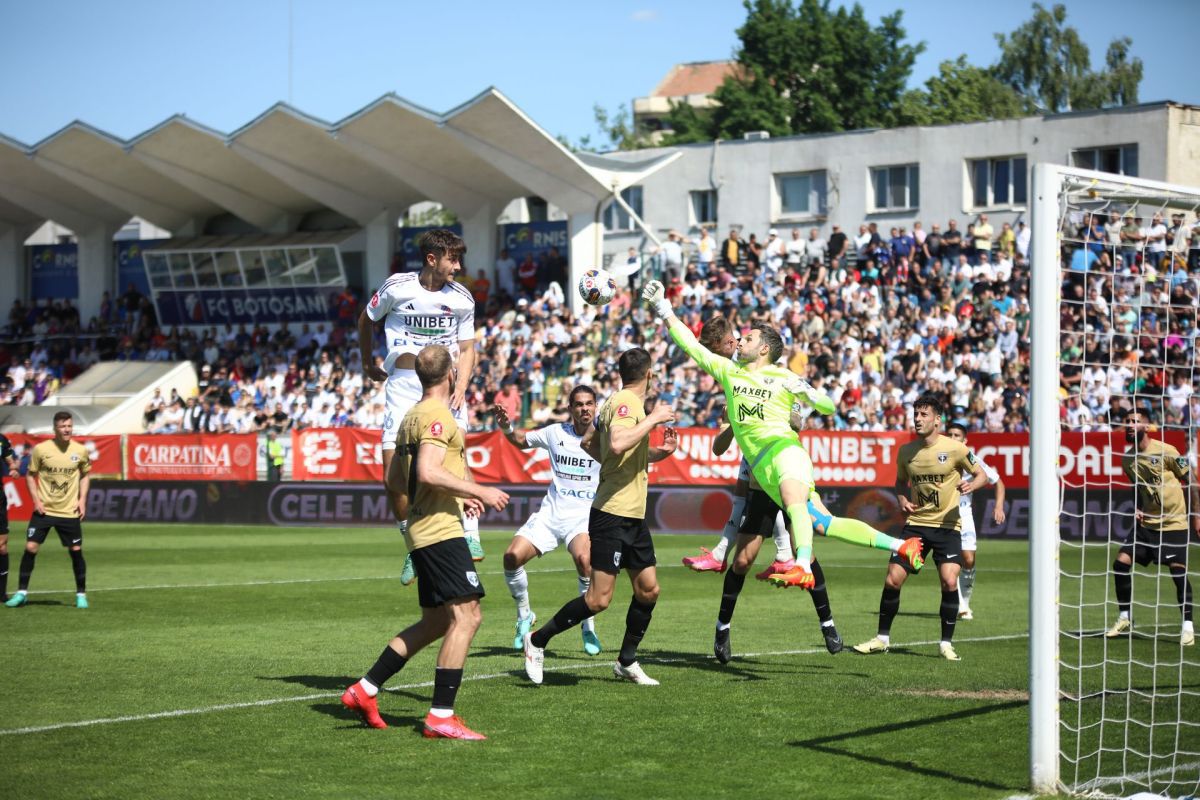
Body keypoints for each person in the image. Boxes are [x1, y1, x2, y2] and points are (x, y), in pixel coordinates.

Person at [642, 281, 925, 589]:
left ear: (763, 349)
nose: (740, 341)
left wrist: (811, 394)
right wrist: (663, 308)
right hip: (763, 469)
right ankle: (902, 546)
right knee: (824, 523)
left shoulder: (784, 377)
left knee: (793, 503)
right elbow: (690, 345)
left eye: (748, 338)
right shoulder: (729, 372)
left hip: (785, 451)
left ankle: (800, 565)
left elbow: (828, 407)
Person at [340, 345, 509, 739]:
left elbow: (395, 481)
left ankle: (364, 689)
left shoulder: (410, 416)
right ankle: (440, 716)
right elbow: (429, 472)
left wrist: (455, 494)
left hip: (421, 527)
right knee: (468, 617)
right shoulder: (438, 416)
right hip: (440, 531)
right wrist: (478, 490)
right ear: (451, 374)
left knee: (436, 621)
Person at [523, 348, 678, 686]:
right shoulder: (627, 403)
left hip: (633, 515)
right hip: (612, 514)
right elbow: (619, 443)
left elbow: (592, 445)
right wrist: (653, 419)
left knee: (648, 590)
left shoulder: (611, 403)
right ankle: (536, 640)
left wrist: (658, 453)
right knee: (598, 599)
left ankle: (626, 661)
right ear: (649, 375)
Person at [357, 228, 484, 589]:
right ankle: (413, 547)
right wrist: (367, 363)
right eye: (452, 260)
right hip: (402, 383)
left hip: (445, 386)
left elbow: (468, 348)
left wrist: (462, 385)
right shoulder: (396, 287)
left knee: (455, 460)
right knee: (392, 477)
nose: (457, 267)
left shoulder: (461, 298)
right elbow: (366, 320)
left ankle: (471, 533)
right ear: (432, 259)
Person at [852, 394, 988, 661]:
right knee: (892, 579)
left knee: (949, 581)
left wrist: (972, 484)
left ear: (937, 420)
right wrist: (902, 499)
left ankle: (946, 644)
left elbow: (981, 473)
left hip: (948, 527)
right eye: (916, 414)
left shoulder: (956, 448)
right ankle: (881, 639)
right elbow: (899, 482)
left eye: (924, 414)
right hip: (916, 526)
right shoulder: (906, 451)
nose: (917, 419)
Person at [711, 417, 845, 663]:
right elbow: (718, 449)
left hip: (789, 476)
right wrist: (732, 422)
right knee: (742, 562)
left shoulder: (782, 397)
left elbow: (798, 423)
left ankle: (828, 624)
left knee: (805, 554)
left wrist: (776, 415)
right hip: (760, 485)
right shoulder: (737, 400)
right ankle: (722, 629)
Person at [681, 315, 797, 579]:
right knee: (748, 490)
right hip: (753, 435)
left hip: (767, 439)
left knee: (760, 491)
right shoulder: (736, 363)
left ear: (728, 343)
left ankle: (779, 555)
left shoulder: (746, 361)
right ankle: (780, 555)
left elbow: (784, 400)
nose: (710, 356)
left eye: (713, 349)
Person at [496, 385, 603, 656]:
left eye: (589, 403)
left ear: (596, 406)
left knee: (585, 561)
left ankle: (588, 626)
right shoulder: (556, 432)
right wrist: (507, 428)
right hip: (551, 514)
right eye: (579, 404)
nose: (584, 408)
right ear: (570, 408)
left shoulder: (605, 437)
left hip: (583, 517)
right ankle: (524, 616)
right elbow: (521, 441)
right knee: (511, 557)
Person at [1105, 411, 1197, 646]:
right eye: (1127, 421)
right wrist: (1138, 506)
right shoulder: (1128, 460)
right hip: (1147, 524)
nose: (1129, 425)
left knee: (1177, 572)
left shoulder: (1167, 451)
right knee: (1120, 563)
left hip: (1174, 523)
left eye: (1135, 421)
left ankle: (1188, 627)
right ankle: (1125, 617)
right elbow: (1137, 487)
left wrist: (1196, 515)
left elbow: (1192, 481)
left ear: (1146, 426)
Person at [6, 412, 92, 609]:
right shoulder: (41, 449)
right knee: (30, 547)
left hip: (69, 511)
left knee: (76, 550)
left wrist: (82, 500)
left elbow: (85, 475)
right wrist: (36, 501)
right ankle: (21, 593)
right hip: (44, 510)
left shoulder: (80, 450)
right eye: (63, 426)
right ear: (55, 428)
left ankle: (81, 595)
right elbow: (30, 475)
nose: (67, 430)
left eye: (69, 426)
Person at [945, 422, 1006, 620]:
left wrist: (998, 506)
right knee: (949, 561)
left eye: (957, 435)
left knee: (969, 560)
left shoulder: (972, 459)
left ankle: (965, 601)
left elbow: (997, 482)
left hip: (964, 514)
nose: (953, 438)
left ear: (965, 440)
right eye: (949, 434)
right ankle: (960, 606)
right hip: (942, 517)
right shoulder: (938, 457)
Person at [0, 432, 19, 601]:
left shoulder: (1, 439)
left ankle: (2, 592)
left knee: (2, 546)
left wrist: (13, 467)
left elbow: (9, 458)